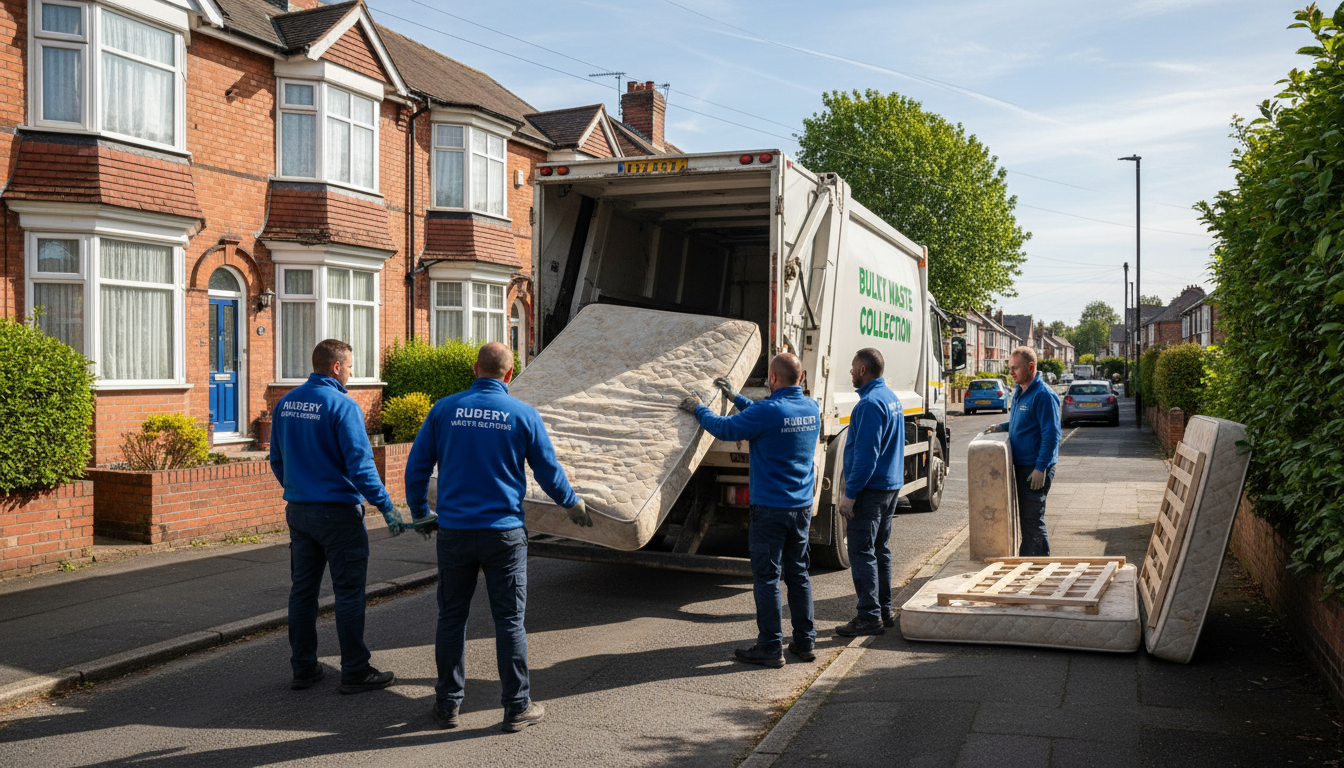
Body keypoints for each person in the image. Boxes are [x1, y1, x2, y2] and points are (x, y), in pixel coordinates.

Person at [405, 342, 588, 732]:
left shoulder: (444, 410)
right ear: (509, 375)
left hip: (454, 532)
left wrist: (420, 513)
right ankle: (516, 707)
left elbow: (417, 467)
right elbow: (548, 471)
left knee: (451, 618)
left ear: (475, 369)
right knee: (509, 622)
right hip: (503, 533)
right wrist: (572, 504)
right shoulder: (523, 414)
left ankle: (448, 704)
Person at [270, 339, 400, 694]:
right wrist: (387, 506)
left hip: (299, 511)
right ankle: (355, 670)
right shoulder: (343, 406)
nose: (352, 374)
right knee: (348, 593)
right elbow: (361, 467)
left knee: (302, 591)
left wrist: (299, 489)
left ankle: (304, 667)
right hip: (339, 514)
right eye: (351, 368)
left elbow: (277, 461)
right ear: (336, 367)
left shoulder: (286, 403)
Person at [679, 353, 820, 668]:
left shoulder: (769, 412)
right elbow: (765, 416)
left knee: (768, 577)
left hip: (770, 508)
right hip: (800, 508)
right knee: (798, 574)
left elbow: (724, 429)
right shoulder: (811, 408)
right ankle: (805, 642)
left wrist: (698, 408)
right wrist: (737, 398)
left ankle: (770, 648)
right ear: (801, 379)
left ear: (772, 378)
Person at [834, 348, 905, 637]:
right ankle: (884, 610)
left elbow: (866, 456)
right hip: (889, 486)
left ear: (863, 370)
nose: (850, 372)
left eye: (853, 368)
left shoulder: (868, 404)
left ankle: (868, 617)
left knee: (862, 552)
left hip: (870, 490)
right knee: (880, 549)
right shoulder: (891, 398)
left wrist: (849, 494)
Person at [986, 346, 1061, 556]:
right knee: (1026, 518)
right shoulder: (1020, 391)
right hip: (1022, 465)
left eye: (1015, 368)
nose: (1011, 372)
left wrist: (1040, 468)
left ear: (1030, 367)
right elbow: (1023, 423)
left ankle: (1039, 565)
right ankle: (1027, 561)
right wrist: (1003, 426)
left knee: (1032, 518)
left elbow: (1052, 435)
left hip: (1034, 467)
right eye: (1009, 367)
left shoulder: (1044, 395)